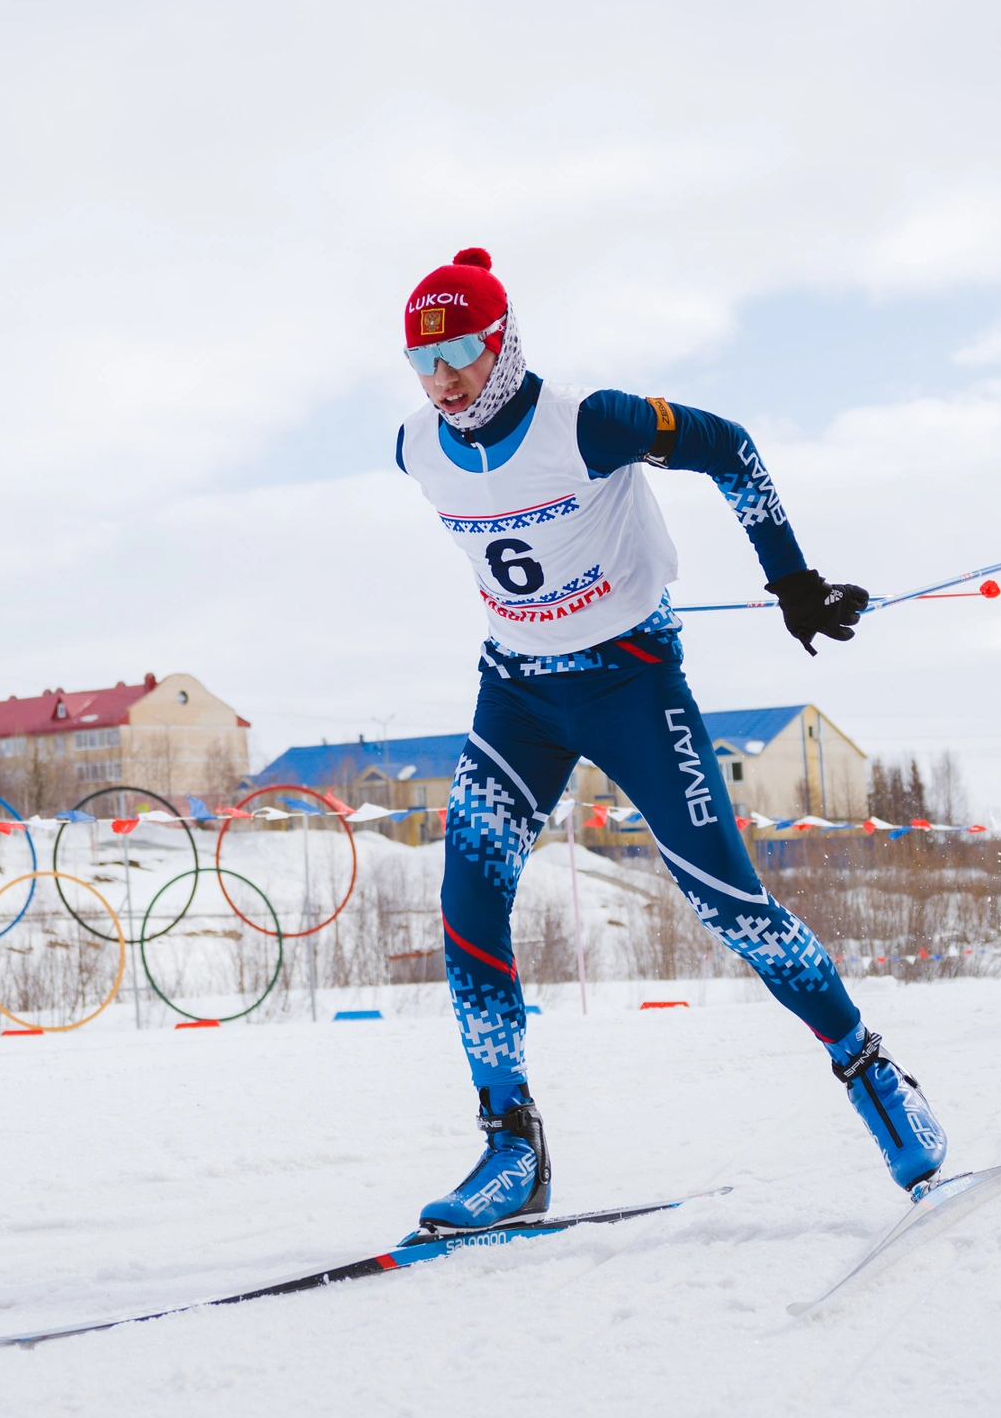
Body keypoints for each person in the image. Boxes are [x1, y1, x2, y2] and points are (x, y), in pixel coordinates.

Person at [393, 248, 947, 1233]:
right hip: (517, 694)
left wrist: (794, 581)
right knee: (469, 902)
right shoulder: (417, 448)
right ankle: (511, 1146)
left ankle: (871, 1070)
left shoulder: (587, 422)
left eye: (465, 353)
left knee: (730, 905)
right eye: (423, 362)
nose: (443, 381)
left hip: (632, 684)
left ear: (506, 345)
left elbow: (728, 446)